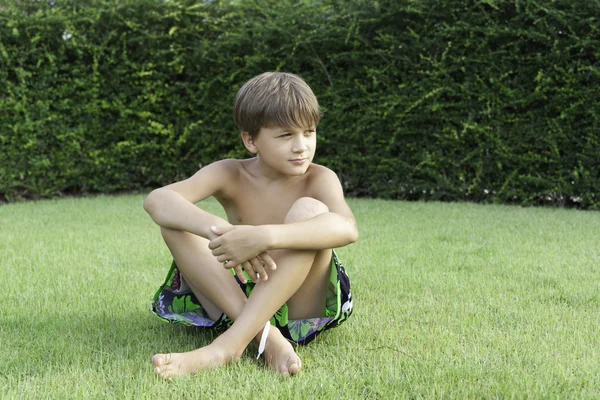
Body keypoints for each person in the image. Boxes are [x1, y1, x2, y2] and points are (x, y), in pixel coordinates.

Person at [143, 71, 357, 379]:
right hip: (235, 299)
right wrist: (225, 232)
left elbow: (348, 228)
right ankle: (267, 338)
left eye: (309, 132)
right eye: (286, 135)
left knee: (310, 211)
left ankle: (229, 345)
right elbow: (158, 201)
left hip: (301, 304)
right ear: (250, 140)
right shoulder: (230, 173)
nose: (301, 147)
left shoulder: (320, 178)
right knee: (177, 222)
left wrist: (265, 237)